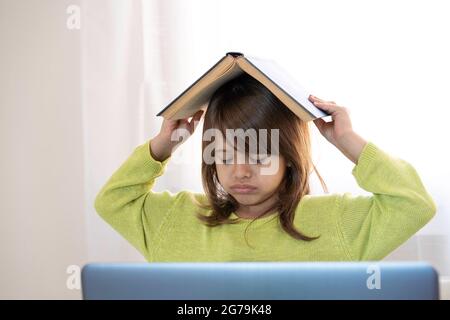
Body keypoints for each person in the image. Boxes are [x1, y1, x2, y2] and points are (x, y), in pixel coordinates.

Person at [94, 73, 436, 262]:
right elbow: (112, 202)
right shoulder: (176, 219)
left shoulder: (337, 222)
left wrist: (347, 140)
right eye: (225, 156)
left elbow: (413, 205)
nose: (240, 171)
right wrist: (161, 146)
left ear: (290, 158)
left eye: (259, 157)